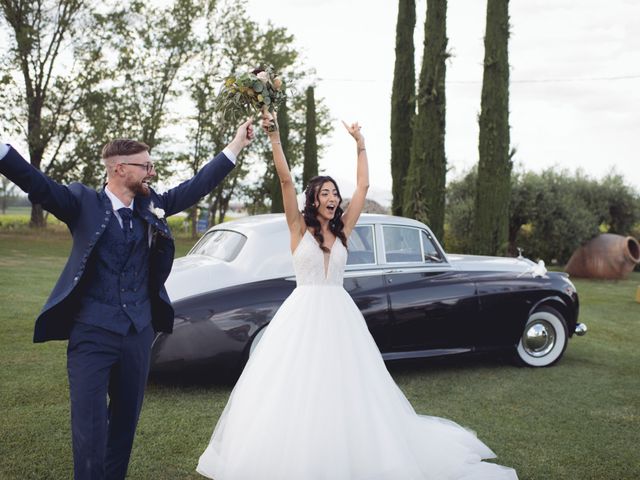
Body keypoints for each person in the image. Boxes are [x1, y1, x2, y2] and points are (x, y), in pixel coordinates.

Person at [196, 111, 518, 480]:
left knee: (348, 386)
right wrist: (275, 138)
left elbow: (363, 188)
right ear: (314, 199)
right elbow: (286, 179)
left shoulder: (344, 229)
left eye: (335, 193)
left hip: (340, 317)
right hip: (301, 316)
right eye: (326, 193)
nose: (333, 198)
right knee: (296, 385)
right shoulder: (297, 227)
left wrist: (360, 145)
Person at [0, 118, 254, 480]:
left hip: (137, 332)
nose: (151, 171)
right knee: (88, 427)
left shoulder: (152, 205)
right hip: (91, 334)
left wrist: (236, 145)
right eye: (145, 165)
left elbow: (197, 185)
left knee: (124, 425)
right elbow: (36, 184)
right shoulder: (81, 202)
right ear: (120, 169)